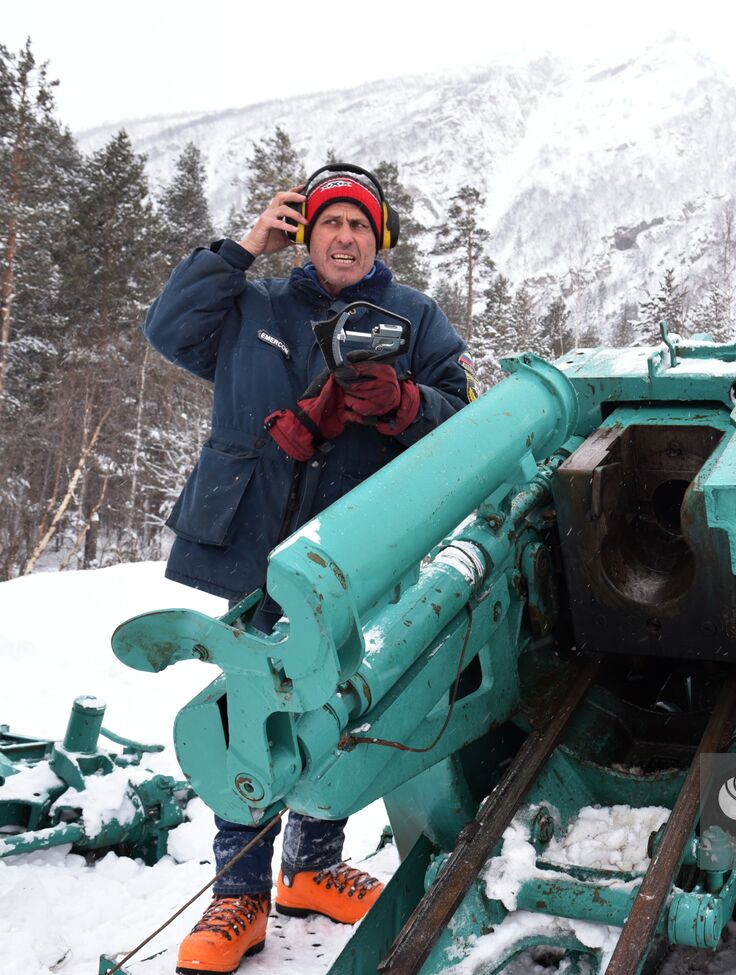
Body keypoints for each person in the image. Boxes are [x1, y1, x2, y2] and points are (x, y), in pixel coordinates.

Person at [145, 164, 473, 975]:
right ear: (304, 231)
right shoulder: (253, 305)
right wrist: (241, 246)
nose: (345, 236)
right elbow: (168, 330)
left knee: (345, 700)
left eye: (360, 225)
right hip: (253, 541)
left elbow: (461, 418)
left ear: (379, 237)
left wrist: (404, 406)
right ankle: (239, 890)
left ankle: (314, 863)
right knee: (246, 703)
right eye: (330, 222)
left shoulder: (413, 316)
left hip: (357, 548)